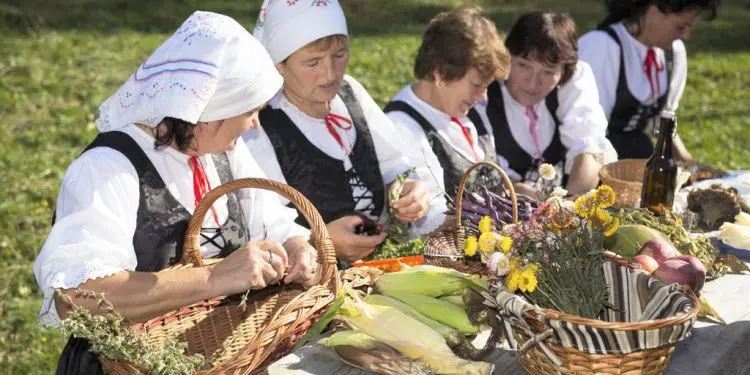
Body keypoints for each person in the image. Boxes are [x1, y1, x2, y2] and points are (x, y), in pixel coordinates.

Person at [32, 11, 318, 374]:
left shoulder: (223, 148)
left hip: (223, 356)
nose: (254, 122)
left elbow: (271, 220)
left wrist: (295, 246)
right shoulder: (107, 169)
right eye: (249, 109)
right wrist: (214, 279)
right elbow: (76, 299)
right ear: (209, 112)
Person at [244, 0, 438, 264]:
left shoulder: (349, 93)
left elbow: (394, 162)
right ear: (279, 65)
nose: (331, 73)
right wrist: (318, 239)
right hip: (310, 281)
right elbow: (265, 220)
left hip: (378, 265)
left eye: (339, 55)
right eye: (313, 63)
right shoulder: (260, 124)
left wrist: (406, 186)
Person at [476, 12, 618, 196]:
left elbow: (589, 154)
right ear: (508, 56)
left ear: (565, 70)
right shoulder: (484, 92)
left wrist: (567, 209)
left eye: (548, 72)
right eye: (524, 65)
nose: (533, 83)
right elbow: (485, 177)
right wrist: (540, 203)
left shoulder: (572, 84)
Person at [384, 5, 511, 198]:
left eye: (486, 86)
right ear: (440, 73)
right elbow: (428, 222)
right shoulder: (403, 127)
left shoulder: (466, 107)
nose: (483, 96)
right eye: (477, 85)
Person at [579, 0, 721, 160]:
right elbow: (585, 137)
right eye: (680, 27)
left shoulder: (672, 52)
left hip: (641, 161)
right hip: (595, 164)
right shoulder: (601, 47)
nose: (686, 36)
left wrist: (689, 164)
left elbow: (662, 121)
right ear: (654, 11)